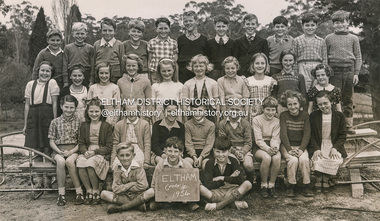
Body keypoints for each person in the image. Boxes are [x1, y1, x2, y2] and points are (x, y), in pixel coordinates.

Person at [23, 61, 60, 192]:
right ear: (38, 71)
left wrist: (55, 123)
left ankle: (49, 180)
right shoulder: (30, 84)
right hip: (34, 117)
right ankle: (39, 181)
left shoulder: (52, 84)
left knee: (47, 149)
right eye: (42, 70)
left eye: (48, 71)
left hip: (47, 117)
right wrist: (26, 124)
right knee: (36, 150)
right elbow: (27, 105)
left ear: (51, 73)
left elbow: (55, 104)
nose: (44, 73)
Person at [325, 10, 362, 134]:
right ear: (333, 24)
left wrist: (356, 73)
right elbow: (325, 57)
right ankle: (335, 125)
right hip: (333, 72)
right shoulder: (328, 38)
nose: (339, 25)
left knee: (348, 99)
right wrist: (327, 72)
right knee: (334, 98)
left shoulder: (354, 38)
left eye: (342, 22)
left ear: (348, 23)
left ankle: (348, 125)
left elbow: (358, 56)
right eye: (336, 22)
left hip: (349, 71)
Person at [141, 137, 198, 212]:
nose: (172, 154)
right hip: (166, 193)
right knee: (152, 202)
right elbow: (154, 185)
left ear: (181, 153)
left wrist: (187, 195)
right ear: (165, 151)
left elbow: (193, 184)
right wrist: (164, 195)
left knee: (191, 199)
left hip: (181, 193)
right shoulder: (160, 165)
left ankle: (185, 203)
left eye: (176, 151)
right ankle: (163, 203)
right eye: (170, 151)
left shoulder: (186, 164)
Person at [309, 91, 347, 192]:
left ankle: (325, 179)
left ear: (331, 102)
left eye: (325, 103)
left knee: (333, 159)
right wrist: (316, 149)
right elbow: (311, 135)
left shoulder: (339, 116)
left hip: (333, 144)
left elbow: (342, 135)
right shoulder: (314, 116)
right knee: (317, 158)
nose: (323, 106)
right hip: (318, 144)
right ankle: (318, 179)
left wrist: (335, 148)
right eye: (320, 104)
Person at [200, 136, 252, 211]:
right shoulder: (209, 163)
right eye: (218, 152)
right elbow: (208, 184)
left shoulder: (234, 161)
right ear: (214, 151)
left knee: (247, 184)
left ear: (229, 151)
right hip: (216, 191)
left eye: (224, 152)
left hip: (232, 190)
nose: (221, 155)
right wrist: (227, 180)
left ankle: (217, 206)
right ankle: (232, 203)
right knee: (200, 188)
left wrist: (221, 178)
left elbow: (240, 180)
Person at [76, 98, 113, 205]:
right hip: (87, 152)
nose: (94, 114)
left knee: (90, 164)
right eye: (91, 111)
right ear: (87, 112)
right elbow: (81, 143)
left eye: (97, 111)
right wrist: (85, 151)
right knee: (80, 163)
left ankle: (96, 190)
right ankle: (89, 190)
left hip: (100, 153)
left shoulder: (106, 126)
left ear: (101, 112)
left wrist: (95, 152)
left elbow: (109, 147)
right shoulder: (84, 125)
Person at [48, 95, 83, 206]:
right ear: (61, 106)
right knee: (61, 161)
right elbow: (51, 141)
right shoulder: (55, 122)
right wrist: (59, 151)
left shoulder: (79, 122)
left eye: (71, 107)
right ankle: (61, 194)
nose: (69, 110)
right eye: (66, 107)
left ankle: (79, 192)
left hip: (74, 150)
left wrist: (71, 152)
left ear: (75, 108)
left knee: (69, 162)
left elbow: (80, 142)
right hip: (58, 151)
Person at [279, 90, 313, 197]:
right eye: (290, 104)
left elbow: (307, 134)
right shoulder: (284, 115)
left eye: (295, 104)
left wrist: (302, 149)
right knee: (292, 160)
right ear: (286, 105)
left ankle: (306, 185)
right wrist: (289, 149)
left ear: (299, 104)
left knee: (304, 160)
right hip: (286, 146)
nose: (293, 107)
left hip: (301, 146)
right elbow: (283, 134)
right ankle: (291, 185)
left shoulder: (305, 115)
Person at [101, 142, 149, 213]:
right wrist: (131, 184)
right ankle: (137, 205)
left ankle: (120, 208)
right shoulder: (117, 169)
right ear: (117, 156)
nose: (125, 158)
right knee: (103, 194)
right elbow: (115, 189)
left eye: (127, 155)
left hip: (137, 195)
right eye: (121, 155)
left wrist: (123, 188)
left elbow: (143, 186)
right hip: (124, 196)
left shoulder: (138, 167)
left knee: (151, 192)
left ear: (133, 155)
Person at [252, 97, 281, 199]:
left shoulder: (277, 121)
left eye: (273, 110)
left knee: (277, 157)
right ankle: (263, 185)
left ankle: (271, 185)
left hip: (272, 145)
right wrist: (267, 149)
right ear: (263, 109)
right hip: (260, 146)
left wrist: (274, 148)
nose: (270, 112)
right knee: (267, 158)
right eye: (268, 109)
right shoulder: (256, 119)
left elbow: (275, 137)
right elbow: (258, 139)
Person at [292, 13, 327, 91]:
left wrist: (324, 71)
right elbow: (294, 58)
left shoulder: (321, 41)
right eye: (307, 25)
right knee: (304, 88)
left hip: (317, 67)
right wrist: (295, 71)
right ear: (302, 26)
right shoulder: (297, 40)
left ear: (316, 26)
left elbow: (324, 58)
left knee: (317, 88)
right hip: (302, 66)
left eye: (312, 25)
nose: (310, 27)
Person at [112, 104, 152, 168]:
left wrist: (146, 161)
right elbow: (115, 144)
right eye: (128, 111)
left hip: (138, 149)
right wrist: (112, 161)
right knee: (117, 165)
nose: (131, 114)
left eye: (134, 111)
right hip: (123, 149)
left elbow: (147, 143)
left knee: (135, 164)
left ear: (138, 111)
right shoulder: (119, 125)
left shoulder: (144, 124)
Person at [218, 104, 254, 177]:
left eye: (237, 110)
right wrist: (235, 152)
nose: (234, 112)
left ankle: (250, 181)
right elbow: (223, 142)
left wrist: (242, 152)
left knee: (248, 165)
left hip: (243, 149)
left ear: (242, 110)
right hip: (229, 149)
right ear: (227, 109)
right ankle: (236, 183)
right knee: (233, 163)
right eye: (232, 109)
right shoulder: (222, 123)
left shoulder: (245, 123)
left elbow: (248, 142)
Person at [182, 54, 219, 123]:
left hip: (209, 115)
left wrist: (217, 119)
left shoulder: (213, 83)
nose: (198, 69)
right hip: (193, 115)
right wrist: (185, 120)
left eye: (201, 66)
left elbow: (217, 102)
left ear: (206, 67)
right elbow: (184, 104)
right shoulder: (187, 84)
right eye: (196, 66)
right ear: (192, 68)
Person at [117, 54, 152, 122]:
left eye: (133, 66)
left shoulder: (145, 81)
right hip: (125, 115)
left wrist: (147, 116)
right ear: (125, 66)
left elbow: (149, 101)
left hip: (140, 115)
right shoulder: (120, 82)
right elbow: (118, 102)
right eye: (128, 66)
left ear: (138, 66)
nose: (131, 68)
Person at [272, 49, 307, 114]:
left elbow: (303, 95)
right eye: (285, 60)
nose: (288, 63)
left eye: (290, 60)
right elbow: (274, 95)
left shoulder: (299, 77)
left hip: (295, 108)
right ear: (281, 61)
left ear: (294, 61)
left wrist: (302, 109)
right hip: (281, 108)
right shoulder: (275, 77)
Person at [177, 10, 208, 83]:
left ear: (196, 21)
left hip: (199, 72)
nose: (188, 23)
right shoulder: (180, 39)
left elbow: (206, 58)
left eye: (190, 21)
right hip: (183, 74)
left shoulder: (204, 39)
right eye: (185, 21)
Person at [151, 100, 185, 164]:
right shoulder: (157, 125)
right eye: (169, 111)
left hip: (175, 154)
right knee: (161, 162)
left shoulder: (181, 126)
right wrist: (162, 154)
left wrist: (175, 154)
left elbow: (181, 144)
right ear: (164, 112)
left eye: (174, 112)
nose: (172, 114)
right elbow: (154, 145)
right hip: (160, 154)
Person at [245, 53, 277, 122]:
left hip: (267, 115)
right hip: (253, 114)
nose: (260, 66)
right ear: (252, 65)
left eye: (262, 63)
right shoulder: (248, 81)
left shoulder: (271, 81)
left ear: (266, 65)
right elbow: (246, 101)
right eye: (257, 63)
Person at [92, 18, 125, 84]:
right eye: (104, 30)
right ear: (101, 31)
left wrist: (122, 79)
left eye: (110, 30)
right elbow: (93, 63)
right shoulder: (96, 44)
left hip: (116, 78)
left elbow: (122, 63)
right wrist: (92, 79)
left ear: (114, 31)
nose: (107, 33)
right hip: (100, 78)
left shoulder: (119, 44)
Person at [184, 103, 215, 170]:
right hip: (191, 152)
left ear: (205, 111)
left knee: (206, 165)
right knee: (186, 163)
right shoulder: (187, 125)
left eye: (200, 111)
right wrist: (194, 156)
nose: (197, 113)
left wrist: (201, 157)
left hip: (205, 152)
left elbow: (209, 144)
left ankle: (206, 180)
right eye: (194, 111)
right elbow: (188, 143)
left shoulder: (211, 125)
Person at [63, 22, 94, 87]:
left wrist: (91, 80)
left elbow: (92, 65)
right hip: (72, 75)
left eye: (82, 34)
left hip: (86, 76)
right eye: (77, 34)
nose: (80, 36)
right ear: (73, 34)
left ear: (86, 34)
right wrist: (65, 81)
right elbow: (65, 65)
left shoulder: (90, 48)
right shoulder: (67, 48)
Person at [151, 58, 183, 123]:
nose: (167, 73)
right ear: (159, 71)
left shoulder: (180, 85)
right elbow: (152, 107)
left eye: (169, 70)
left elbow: (182, 106)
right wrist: (154, 123)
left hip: (176, 121)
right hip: (160, 120)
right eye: (163, 71)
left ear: (173, 70)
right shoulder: (155, 86)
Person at [148, 17, 178, 84]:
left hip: (169, 74)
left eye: (165, 28)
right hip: (155, 73)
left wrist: (176, 76)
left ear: (169, 29)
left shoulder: (174, 43)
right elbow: (149, 61)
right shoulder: (151, 42)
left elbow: (175, 61)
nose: (163, 31)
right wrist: (149, 75)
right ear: (156, 29)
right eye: (160, 28)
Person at [205, 14, 235, 81]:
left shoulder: (232, 43)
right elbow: (206, 58)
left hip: (228, 73)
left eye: (223, 26)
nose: (221, 29)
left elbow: (234, 59)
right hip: (213, 74)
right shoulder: (209, 43)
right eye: (218, 26)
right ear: (215, 27)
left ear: (227, 27)